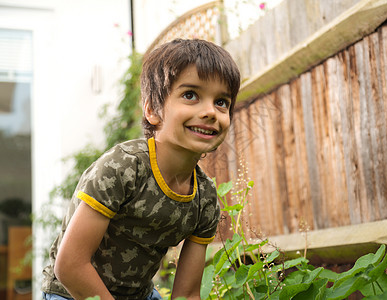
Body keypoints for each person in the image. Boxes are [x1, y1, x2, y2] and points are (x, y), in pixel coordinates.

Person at [41, 38, 241, 300]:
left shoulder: (205, 199)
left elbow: (188, 293)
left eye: (221, 102)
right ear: (152, 110)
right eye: (190, 95)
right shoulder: (123, 169)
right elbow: (70, 266)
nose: (210, 111)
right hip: (70, 292)